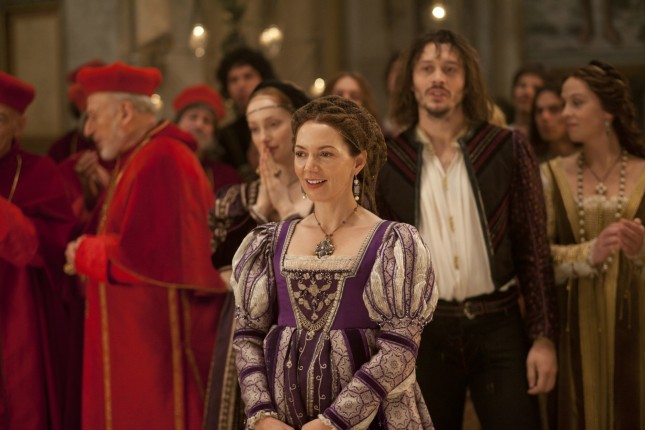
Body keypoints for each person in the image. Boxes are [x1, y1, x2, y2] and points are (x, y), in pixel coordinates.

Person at [376, 29, 558, 430]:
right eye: (427, 68)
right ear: (411, 82)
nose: (438, 78)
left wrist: (543, 337)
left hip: (500, 326)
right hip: (426, 333)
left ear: (467, 81)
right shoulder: (390, 159)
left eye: (450, 69)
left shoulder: (506, 147)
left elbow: (533, 248)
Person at [232, 95, 437, 429]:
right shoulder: (270, 242)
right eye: (301, 153)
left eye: (325, 154)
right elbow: (247, 337)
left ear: (358, 161)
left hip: (370, 420)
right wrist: (263, 416)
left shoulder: (393, 243)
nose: (309, 167)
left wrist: (333, 422)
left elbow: (400, 349)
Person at [63, 61, 227, 430]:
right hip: (135, 342)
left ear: (124, 112)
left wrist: (86, 252)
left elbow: (147, 256)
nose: (87, 130)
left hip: (156, 350)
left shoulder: (162, 157)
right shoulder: (139, 155)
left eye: (93, 116)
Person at [540, 60, 645, 430]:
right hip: (572, 326)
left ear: (608, 111)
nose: (565, 113)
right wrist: (589, 252)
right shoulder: (551, 174)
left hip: (637, 326)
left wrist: (640, 251)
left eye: (576, 103)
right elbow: (538, 260)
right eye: (564, 104)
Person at [203, 80, 311, 430]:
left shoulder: (328, 195)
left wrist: (287, 209)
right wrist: (260, 210)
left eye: (273, 124)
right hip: (247, 339)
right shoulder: (237, 200)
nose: (263, 137)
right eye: (254, 128)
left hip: (310, 336)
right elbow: (222, 271)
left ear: (298, 122)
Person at [0, 71, 76, 429]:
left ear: (20, 125)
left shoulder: (39, 172)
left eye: (0, 118)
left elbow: (51, 245)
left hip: (18, 313)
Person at [216, 47, 277, 181]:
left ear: (263, 79)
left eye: (248, 76)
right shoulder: (225, 136)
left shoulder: (283, 121)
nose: (241, 85)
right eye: (233, 80)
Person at [173, 83, 243, 193]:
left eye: (207, 121)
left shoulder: (226, 177)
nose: (199, 125)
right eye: (193, 117)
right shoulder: (159, 163)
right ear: (177, 124)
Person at [529, 82, 577, 162]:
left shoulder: (591, 157)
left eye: (554, 109)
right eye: (539, 111)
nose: (544, 117)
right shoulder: (531, 163)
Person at [509, 63, 547, 136]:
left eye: (536, 88)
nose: (527, 92)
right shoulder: (501, 135)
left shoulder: (549, 137)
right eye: (522, 85)